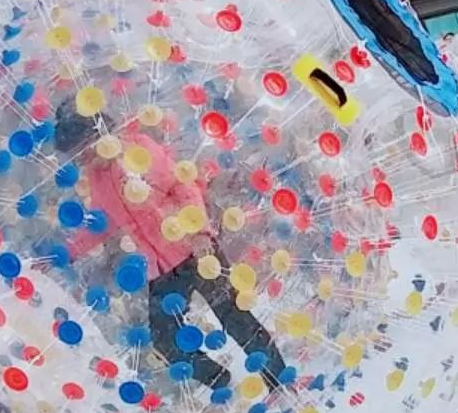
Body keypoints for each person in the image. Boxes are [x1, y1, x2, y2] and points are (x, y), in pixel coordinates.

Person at [54, 99, 289, 393]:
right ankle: (223, 382)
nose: (83, 160)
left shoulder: (138, 150)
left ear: (97, 133)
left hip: (194, 249)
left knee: (233, 315)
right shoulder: (96, 178)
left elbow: (183, 186)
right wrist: (67, 252)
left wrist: (201, 232)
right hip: (160, 269)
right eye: (77, 157)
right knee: (166, 341)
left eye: (83, 149)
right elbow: (101, 223)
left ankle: (279, 381)